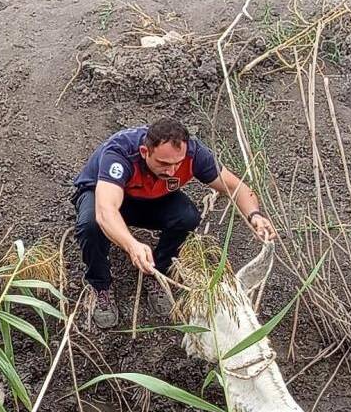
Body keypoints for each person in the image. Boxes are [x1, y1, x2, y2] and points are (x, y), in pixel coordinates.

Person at [71, 117, 277, 328]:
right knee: (91, 226)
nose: (171, 171)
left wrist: (255, 216)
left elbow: (236, 187)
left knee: (187, 217)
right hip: (104, 194)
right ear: (145, 152)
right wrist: (132, 245)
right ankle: (100, 286)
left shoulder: (194, 154)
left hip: (151, 197)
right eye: (163, 163)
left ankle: (158, 271)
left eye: (177, 164)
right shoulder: (121, 153)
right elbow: (106, 211)